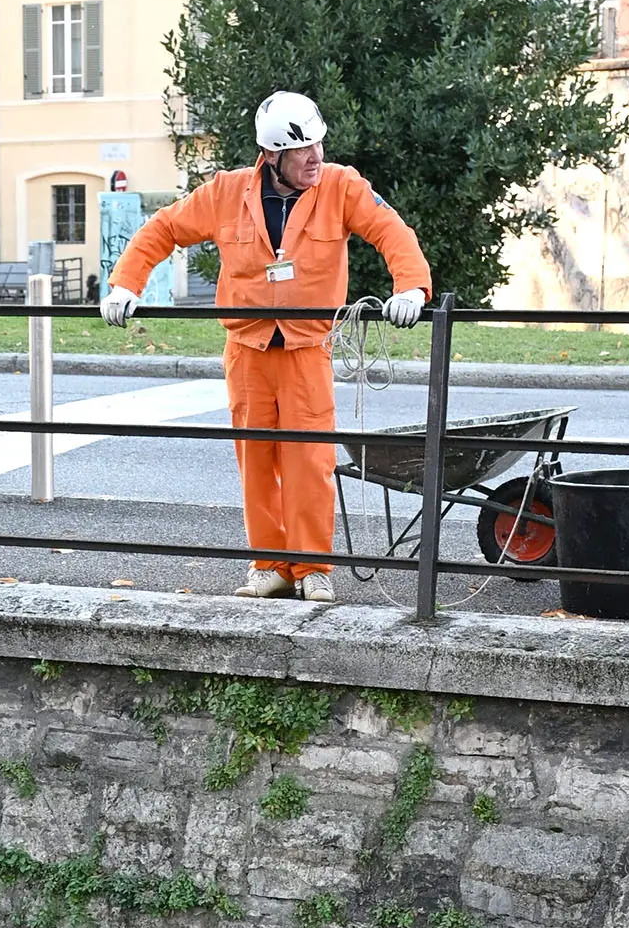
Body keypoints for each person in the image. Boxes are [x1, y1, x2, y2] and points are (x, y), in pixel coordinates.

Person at [100, 91, 431, 605]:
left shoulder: (341, 185)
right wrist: (126, 283)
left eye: (319, 145)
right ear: (272, 156)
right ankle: (270, 565)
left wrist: (409, 286)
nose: (315, 158)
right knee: (256, 460)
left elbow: (391, 231)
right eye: (302, 152)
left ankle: (314, 568)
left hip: (306, 349)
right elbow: (164, 228)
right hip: (247, 348)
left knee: (310, 462)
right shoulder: (227, 192)